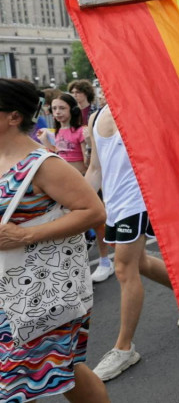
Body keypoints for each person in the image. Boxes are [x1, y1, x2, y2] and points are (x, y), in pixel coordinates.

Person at [0, 78, 109, 402]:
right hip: (10, 291)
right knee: (67, 370)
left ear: (13, 117)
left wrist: (25, 234)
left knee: (22, 379)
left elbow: (93, 211)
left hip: (34, 290)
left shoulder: (43, 164)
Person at [85, 105, 176, 382]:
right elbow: (95, 168)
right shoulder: (96, 116)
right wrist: (76, 206)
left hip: (137, 203)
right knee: (141, 263)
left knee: (124, 269)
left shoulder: (143, 108)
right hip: (113, 203)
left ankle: (124, 348)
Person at [45, 94, 88, 175]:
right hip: (63, 176)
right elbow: (59, 152)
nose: (57, 112)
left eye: (62, 108)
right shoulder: (58, 131)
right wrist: (45, 141)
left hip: (79, 176)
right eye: (54, 108)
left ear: (73, 110)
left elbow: (87, 162)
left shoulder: (81, 131)